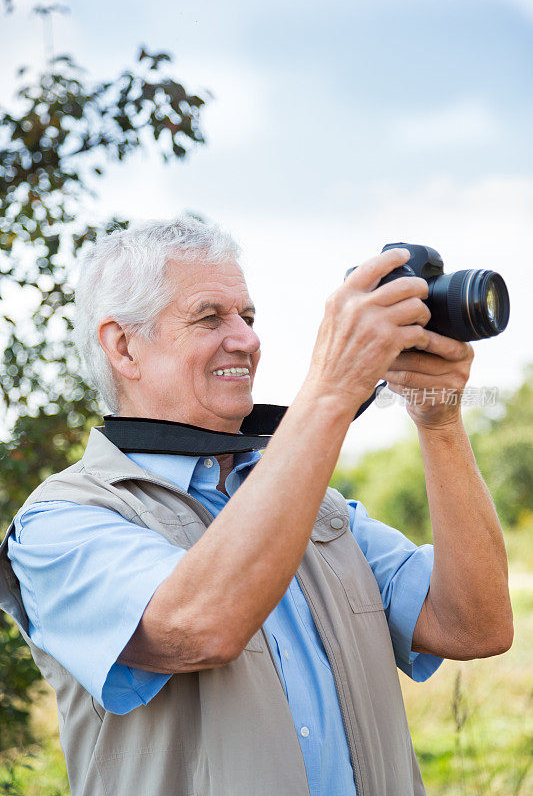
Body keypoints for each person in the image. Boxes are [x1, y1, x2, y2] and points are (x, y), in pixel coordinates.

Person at [0, 217, 513, 796]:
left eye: (248, 317)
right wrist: (332, 387)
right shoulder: (61, 523)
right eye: (209, 317)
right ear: (123, 346)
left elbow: (477, 625)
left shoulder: (317, 509)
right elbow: (199, 626)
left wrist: (439, 421)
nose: (246, 340)